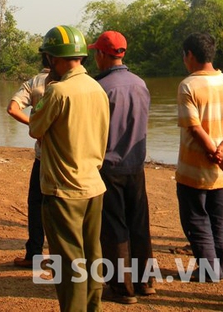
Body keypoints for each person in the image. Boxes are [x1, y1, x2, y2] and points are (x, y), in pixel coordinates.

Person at [29, 25, 110, 312]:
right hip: (93, 186)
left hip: (64, 191)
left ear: (54, 59)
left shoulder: (58, 91)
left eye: (48, 58)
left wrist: (49, 88)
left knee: (68, 263)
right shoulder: (97, 88)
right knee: (92, 256)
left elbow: (35, 129)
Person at [89, 31, 155, 304]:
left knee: (114, 227)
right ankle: (146, 282)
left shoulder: (100, 88)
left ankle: (122, 288)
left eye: (96, 52)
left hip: (109, 166)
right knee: (139, 224)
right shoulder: (140, 83)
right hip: (136, 164)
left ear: (103, 55)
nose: (95, 57)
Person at [176, 32, 223, 281]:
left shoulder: (188, 85)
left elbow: (193, 126)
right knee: (220, 220)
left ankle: (209, 271)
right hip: (222, 170)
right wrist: (221, 150)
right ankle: (222, 265)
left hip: (195, 168)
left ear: (190, 55)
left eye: (184, 56)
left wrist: (212, 151)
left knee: (196, 219)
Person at [7, 66, 49, 268]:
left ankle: (35, 254)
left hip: (44, 157)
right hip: (73, 158)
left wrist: (35, 126)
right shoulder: (83, 84)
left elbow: (12, 108)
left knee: (36, 205)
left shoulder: (36, 82)